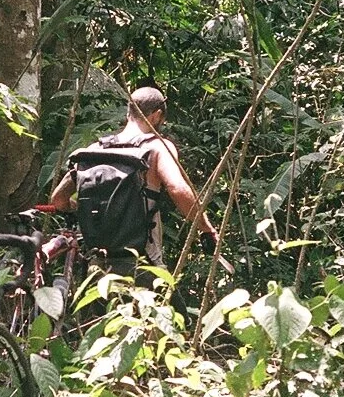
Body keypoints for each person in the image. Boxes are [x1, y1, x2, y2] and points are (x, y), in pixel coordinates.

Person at [48, 85, 218, 269]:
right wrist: (206, 228)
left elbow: (58, 199)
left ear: (129, 113)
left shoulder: (93, 151)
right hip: (141, 263)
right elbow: (178, 189)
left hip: (97, 264)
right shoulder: (157, 148)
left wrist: (78, 208)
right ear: (157, 115)